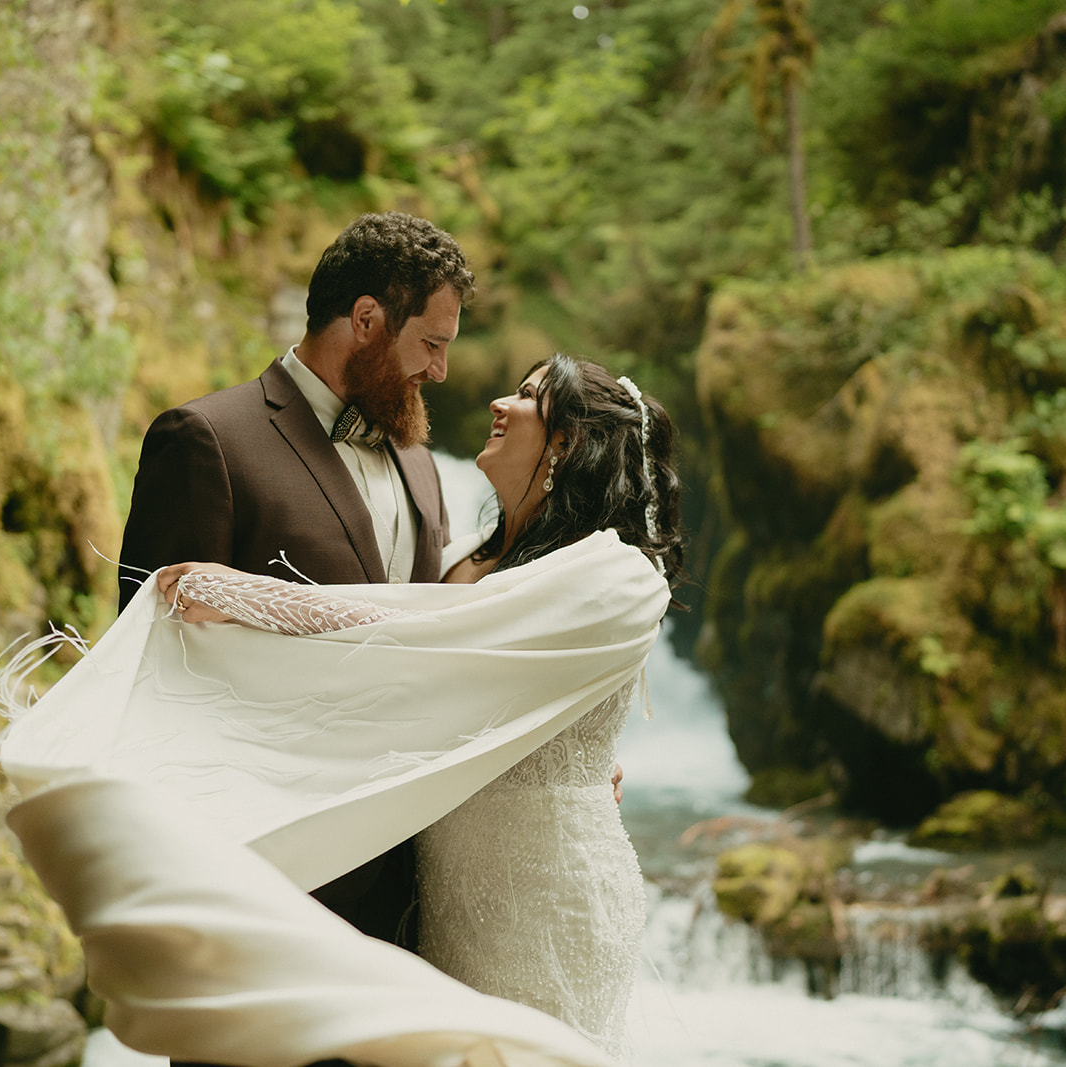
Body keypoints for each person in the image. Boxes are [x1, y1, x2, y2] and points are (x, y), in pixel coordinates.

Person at [153, 354, 682, 1061]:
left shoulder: (619, 570)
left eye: (527, 395)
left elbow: (428, 636)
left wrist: (248, 596)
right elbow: (404, 681)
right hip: (449, 885)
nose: (499, 401)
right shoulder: (462, 554)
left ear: (570, 441)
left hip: (549, 889)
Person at [115, 210, 475, 964]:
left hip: (407, 901)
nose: (440, 370)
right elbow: (151, 679)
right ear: (367, 320)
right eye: (431, 344)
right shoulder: (205, 440)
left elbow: (442, 647)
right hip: (257, 893)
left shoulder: (417, 457)